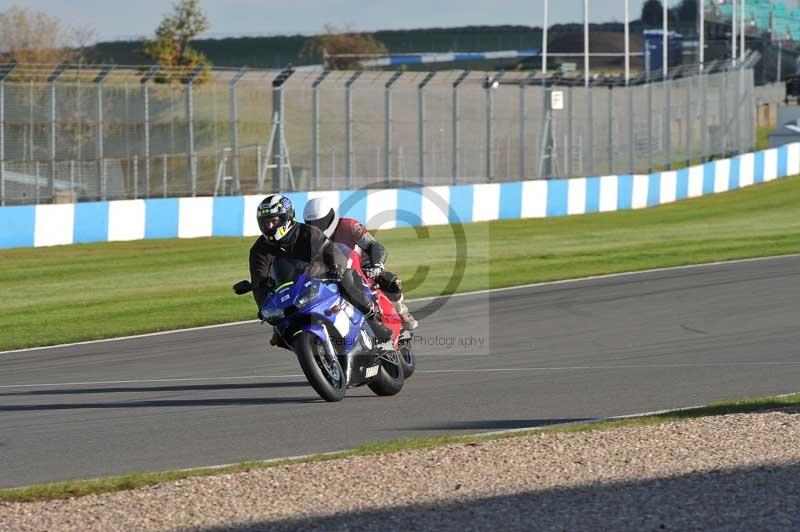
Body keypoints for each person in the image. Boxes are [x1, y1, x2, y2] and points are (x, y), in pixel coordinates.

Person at [242, 193, 393, 344]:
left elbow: (331, 251)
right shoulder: (258, 250)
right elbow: (259, 281)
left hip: (322, 278)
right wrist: (263, 307)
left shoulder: (306, 232)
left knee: (347, 277)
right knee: (279, 336)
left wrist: (337, 267)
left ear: (286, 217)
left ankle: (373, 322)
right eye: (265, 222)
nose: (270, 226)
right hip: (289, 292)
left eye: (274, 221)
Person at [302, 196, 418, 330]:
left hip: (360, 268)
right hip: (330, 276)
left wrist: (376, 265)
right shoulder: (307, 237)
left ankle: (401, 311)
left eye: (320, 222)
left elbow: (375, 245)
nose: (316, 227)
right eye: (312, 223)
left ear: (330, 216)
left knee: (391, 281)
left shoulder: (349, 225)